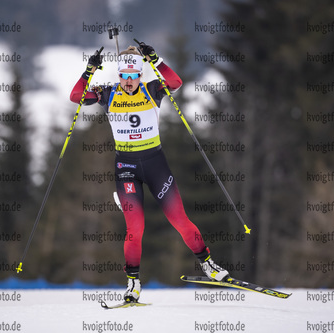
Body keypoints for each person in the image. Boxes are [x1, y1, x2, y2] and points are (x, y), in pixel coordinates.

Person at [70, 42, 229, 303]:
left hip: (155, 164)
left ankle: (208, 265)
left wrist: (156, 59)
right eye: (124, 76)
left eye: (133, 76)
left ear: (140, 75)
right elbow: (76, 97)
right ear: (119, 75)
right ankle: (133, 283)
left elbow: (175, 81)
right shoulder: (107, 94)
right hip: (126, 169)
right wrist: (89, 71)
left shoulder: (152, 89)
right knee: (135, 228)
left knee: (179, 219)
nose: (129, 81)